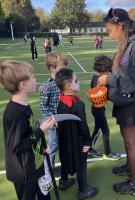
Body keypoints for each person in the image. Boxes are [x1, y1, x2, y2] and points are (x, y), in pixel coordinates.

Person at [98, 8, 135, 196]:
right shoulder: (128, 43)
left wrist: (108, 80)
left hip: (133, 102)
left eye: (110, 30)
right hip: (125, 101)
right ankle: (129, 167)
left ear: (120, 25)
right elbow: (124, 73)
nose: (109, 34)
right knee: (126, 138)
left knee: (130, 142)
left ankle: (134, 185)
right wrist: (109, 78)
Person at [0, 60, 56, 200]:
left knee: (44, 195)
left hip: (34, 163)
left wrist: (43, 144)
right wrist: (41, 131)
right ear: (23, 85)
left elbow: (28, 130)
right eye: (33, 76)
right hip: (24, 172)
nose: (35, 79)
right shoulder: (15, 113)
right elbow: (17, 146)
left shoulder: (24, 104)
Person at [55, 68, 99, 199]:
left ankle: (63, 181)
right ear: (68, 86)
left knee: (64, 159)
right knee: (81, 165)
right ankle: (83, 191)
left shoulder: (60, 101)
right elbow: (83, 127)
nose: (78, 82)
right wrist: (88, 142)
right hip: (78, 142)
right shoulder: (78, 104)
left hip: (64, 141)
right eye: (76, 80)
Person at [40, 52, 68, 175]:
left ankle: (64, 169)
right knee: (53, 145)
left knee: (64, 144)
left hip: (65, 119)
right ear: (52, 69)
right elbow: (43, 107)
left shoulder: (63, 82)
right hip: (54, 122)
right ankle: (48, 171)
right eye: (62, 68)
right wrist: (52, 120)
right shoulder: (47, 86)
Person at [88, 54, 121, 160]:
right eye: (108, 71)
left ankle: (89, 147)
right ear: (103, 70)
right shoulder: (98, 80)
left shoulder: (96, 77)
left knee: (97, 129)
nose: (109, 74)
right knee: (105, 130)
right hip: (98, 110)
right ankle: (107, 153)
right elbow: (106, 93)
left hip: (98, 109)